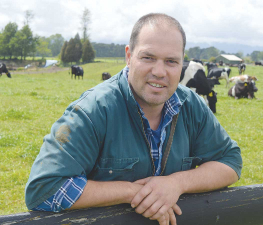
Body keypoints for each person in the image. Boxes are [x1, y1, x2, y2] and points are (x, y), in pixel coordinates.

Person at [25, 13, 242, 225]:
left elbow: (230, 162)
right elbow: (44, 189)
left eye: (171, 61)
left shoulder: (191, 106)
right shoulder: (93, 111)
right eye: (148, 57)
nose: (159, 71)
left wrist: (177, 183)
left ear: (182, 63)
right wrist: (134, 192)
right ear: (129, 56)